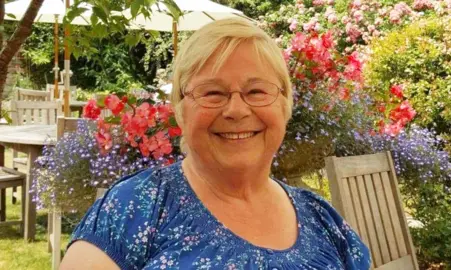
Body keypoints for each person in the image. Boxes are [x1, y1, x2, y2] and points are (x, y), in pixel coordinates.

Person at [60, 18, 371, 270]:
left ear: (284, 104)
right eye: (212, 93)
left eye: (257, 92)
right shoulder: (138, 205)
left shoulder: (322, 219)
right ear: (181, 109)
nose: (236, 110)